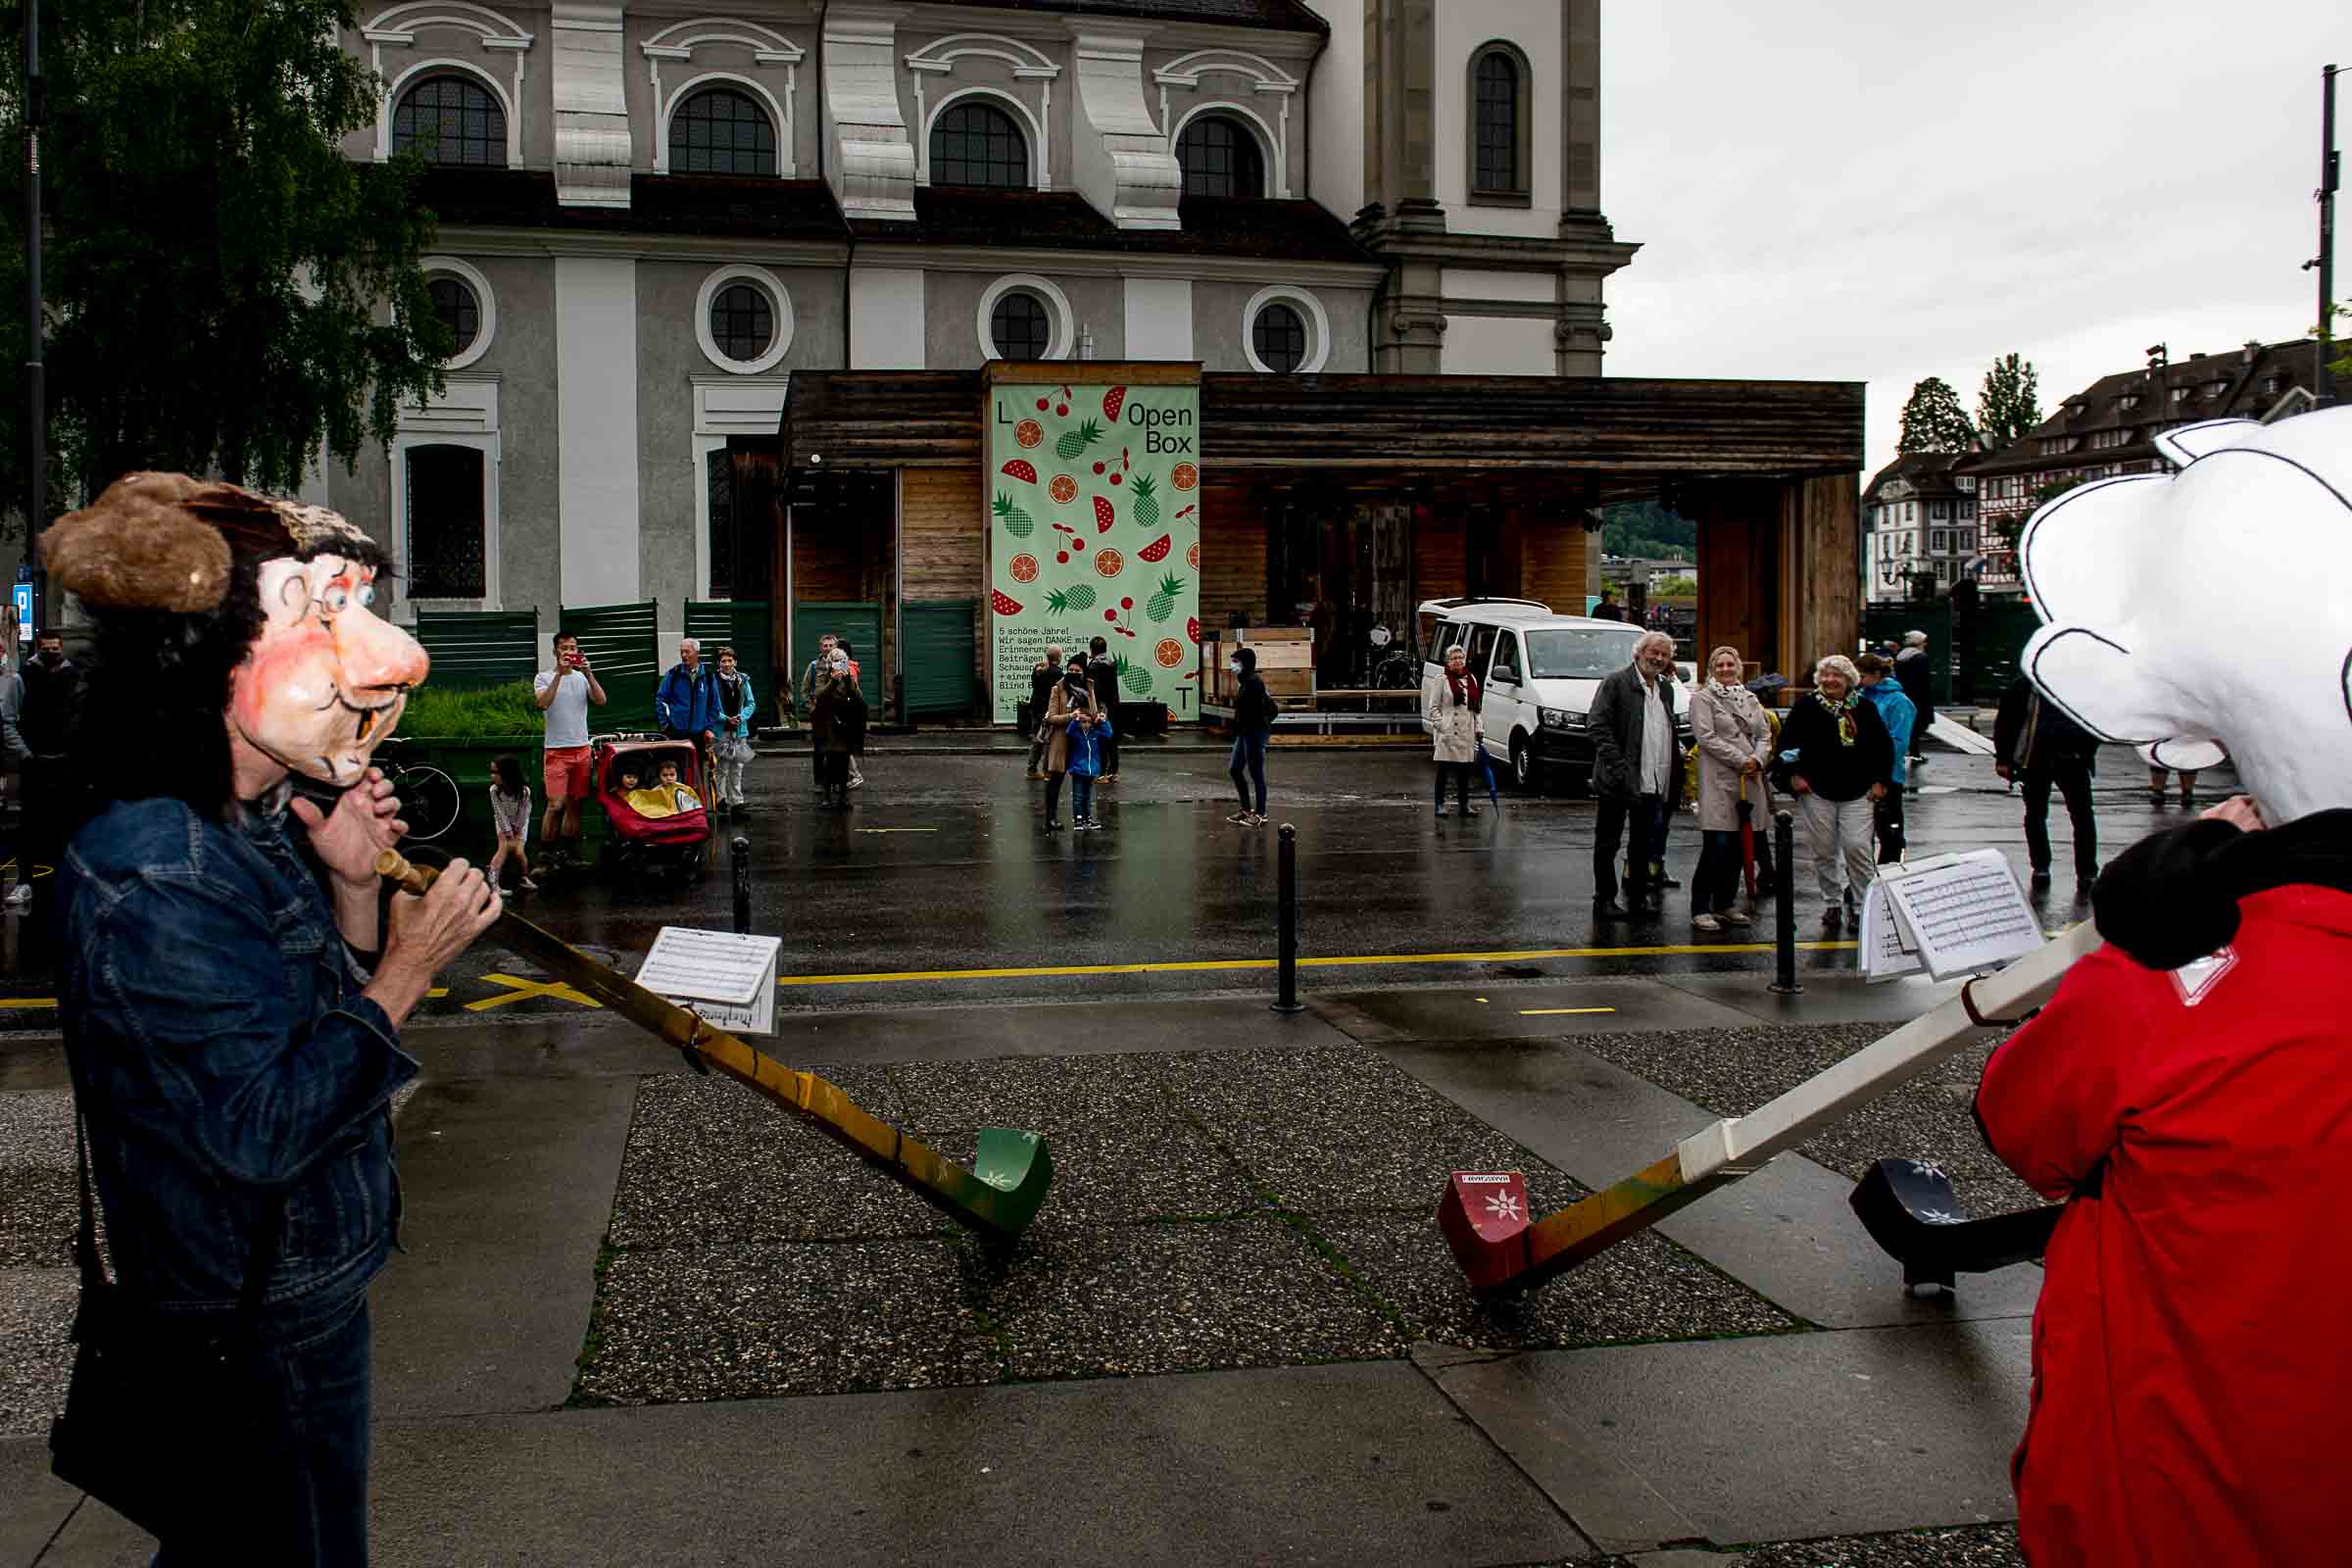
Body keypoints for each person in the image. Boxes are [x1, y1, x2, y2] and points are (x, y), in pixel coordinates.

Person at [43, 473, 502, 1563]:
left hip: (293, 1292)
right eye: (318, 611)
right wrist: (408, 966)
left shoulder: (245, 821)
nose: (387, 658)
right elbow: (258, 1133)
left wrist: (349, 894)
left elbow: (301, 1030)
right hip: (249, 1321)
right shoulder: (159, 871)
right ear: (204, 657)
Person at [1773, 654, 1893, 932]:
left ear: (1848, 679)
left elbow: (1883, 748)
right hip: (1817, 791)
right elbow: (1786, 746)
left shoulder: (1865, 708)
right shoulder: (1806, 707)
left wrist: (1880, 782)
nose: (1830, 680)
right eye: (1825, 675)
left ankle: (1863, 906)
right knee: (1824, 851)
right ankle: (1833, 903)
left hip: (1858, 791)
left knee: (1857, 848)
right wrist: (1793, 777)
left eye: (1836, 675)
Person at [1588, 630, 1682, 917]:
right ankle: (1604, 899)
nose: (1658, 658)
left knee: (1642, 844)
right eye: (1654, 652)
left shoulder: (1666, 688)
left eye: (1664, 655)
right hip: (1618, 780)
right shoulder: (1616, 682)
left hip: (1653, 780)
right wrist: (1618, 767)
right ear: (1638, 653)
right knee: (1608, 843)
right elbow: (1597, 725)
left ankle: (1638, 897)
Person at [1688, 645, 1771, 931]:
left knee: (1738, 845)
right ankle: (1700, 906)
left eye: (1730, 664)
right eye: (1719, 665)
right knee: (1716, 845)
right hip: (1720, 779)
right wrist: (1741, 759)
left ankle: (1725, 902)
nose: (1725, 669)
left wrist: (1758, 760)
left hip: (1749, 778)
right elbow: (1706, 737)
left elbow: (1764, 735)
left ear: (1738, 667)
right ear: (1712, 669)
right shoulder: (1703, 699)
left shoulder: (1751, 698)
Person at [1994, 673, 2100, 895]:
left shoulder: (2027, 684)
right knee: (2062, 816)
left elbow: (2006, 720)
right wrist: (2003, 757)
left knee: (2060, 816)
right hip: (2044, 758)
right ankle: (2069, 870)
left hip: (2056, 758)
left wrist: (2004, 758)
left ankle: (2074, 870)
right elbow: (2007, 720)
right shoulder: (2027, 685)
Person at [19, 627, 84, 906]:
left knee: (64, 821)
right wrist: (25, 753)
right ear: (39, 647)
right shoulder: (25, 674)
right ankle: (26, 882)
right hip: (36, 758)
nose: (52, 653)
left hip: (64, 759)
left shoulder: (73, 675)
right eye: (47, 648)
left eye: (55, 648)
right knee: (31, 823)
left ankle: (63, 881)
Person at [534, 630, 607, 865]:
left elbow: (601, 700)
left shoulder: (581, 677)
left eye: (573, 648)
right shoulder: (543, 677)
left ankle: (569, 855)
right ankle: (545, 855)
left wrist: (588, 672)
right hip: (556, 751)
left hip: (581, 749)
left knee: (575, 804)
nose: (569, 651)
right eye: (564, 648)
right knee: (556, 804)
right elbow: (543, 703)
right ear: (555, 651)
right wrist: (560, 675)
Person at [1855, 652, 1916, 864]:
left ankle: (1890, 872)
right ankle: (1863, 877)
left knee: (1888, 829)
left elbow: (1899, 742)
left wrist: (1882, 773)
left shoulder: (1899, 702)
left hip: (1888, 774)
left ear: (1877, 674)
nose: (1858, 681)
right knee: (1860, 833)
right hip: (1860, 773)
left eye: (1862, 676)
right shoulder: (1861, 697)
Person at [1426, 644, 1483, 820]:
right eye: (1454, 658)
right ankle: (1440, 804)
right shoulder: (1441, 679)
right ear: (1448, 662)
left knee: (1465, 771)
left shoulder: (1471, 679)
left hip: (1466, 731)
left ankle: (1464, 805)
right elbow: (1433, 708)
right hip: (1448, 732)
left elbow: (1476, 708)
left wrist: (1479, 728)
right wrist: (1441, 725)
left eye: (1461, 658)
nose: (1458, 661)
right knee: (1444, 770)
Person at [1225, 646, 1274, 826]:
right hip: (1245, 733)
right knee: (1235, 769)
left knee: (1256, 773)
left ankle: (1261, 814)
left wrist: (1244, 728)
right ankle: (1246, 810)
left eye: (1236, 661)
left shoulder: (1254, 682)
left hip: (1254, 733)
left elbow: (1253, 712)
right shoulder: (1245, 680)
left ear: (1246, 663)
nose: (1232, 665)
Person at [809, 651, 862, 809]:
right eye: (837, 660)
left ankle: (843, 797)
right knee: (829, 759)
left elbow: (858, 697)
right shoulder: (823, 675)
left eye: (842, 660)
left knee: (844, 759)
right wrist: (833, 681)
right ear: (831, 662)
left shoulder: (848, 677)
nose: (840, 663)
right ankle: (826, 797)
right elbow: (819, 694)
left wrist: (847, 680)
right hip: (828, 722)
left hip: (844, 721)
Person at [1063, 667, 1111, 830]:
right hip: (1078, 770)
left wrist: (1103, 720)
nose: (1085, 725)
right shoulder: (1077, 733)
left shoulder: (1094, 733)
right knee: (1078, 796)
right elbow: (1069, 731)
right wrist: (1075, 719)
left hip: (1091, 770)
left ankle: (1087, 818)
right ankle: (1078, 819)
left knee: (1089, 797)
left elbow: (1109, 733)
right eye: (1083, 722)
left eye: (1087, 722)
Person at [710, 646, 755, 817]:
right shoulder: (712, 681)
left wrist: (741, 717)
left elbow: (751, 703)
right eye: (723, 661)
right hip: (721, 730)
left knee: (737, 767)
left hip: (739, 730)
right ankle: (720, 801)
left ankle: (737, 802)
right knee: (722, 767)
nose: (727, 664)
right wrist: (725, 718)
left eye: (730, 660)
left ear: (735, 662)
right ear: (718, 663)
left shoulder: (743, 680)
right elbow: (711, 705)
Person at [1040, 661, 1084, 830]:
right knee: (1055, 781)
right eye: (1070, 669)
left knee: (1083, 782)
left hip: (1079, 740)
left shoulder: (1086, 689)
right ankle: (1050, 818)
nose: (1073, 672)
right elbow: (1051, 717)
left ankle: (1083, 818)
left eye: (1077, 670)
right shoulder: (1058, 689)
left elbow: (1092, 712)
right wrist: (1070, 716)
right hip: (1061, 740)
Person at [656, 636, 717, 751]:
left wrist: (709, 728)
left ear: (697, 653)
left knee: (697, 768)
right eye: (682, 652)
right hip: (676, 734)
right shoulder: (672, 675)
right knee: (676, 767)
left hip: (699, 735)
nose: (683, 655)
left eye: (687, 652)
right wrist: (665, 725)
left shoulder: (708, 677)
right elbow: (661, 700)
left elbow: (714, 706)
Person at [486, 754, 536, 893]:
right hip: (503, 823)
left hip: (520, 824)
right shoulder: (494, 791)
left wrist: (517, 829)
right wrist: (508, 832)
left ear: (507, 773)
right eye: (492, 772)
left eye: (496, 772)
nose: (492, 776)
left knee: (519, 852)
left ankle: (524, 877)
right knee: (503, 848)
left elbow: (523, 812)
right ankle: (493, 883)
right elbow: (499, 812)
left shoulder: (524, 791)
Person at [801, 632, 838, 791]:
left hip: (837, 714)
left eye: (831, 645)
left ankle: (836, 781)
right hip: (819, 714)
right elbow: (804, 690)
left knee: (837, 750)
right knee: (819, 749)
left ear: (836, 647)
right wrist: (812, 708)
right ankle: (819, 781)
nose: (828, 648)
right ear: (820, 647)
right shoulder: (814, 666)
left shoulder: (842, 664)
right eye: (825, 645)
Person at [1893, 629, 1936, 763]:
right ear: (1920, 642)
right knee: (1918, 726)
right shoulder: (1920, 658)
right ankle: (1915, 753)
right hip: (1918, 697)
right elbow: (1923, 681)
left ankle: (1909, 752)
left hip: (1904, 694)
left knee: (1908, 725)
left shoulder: (1901, 657)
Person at [1085, 634, 1119, 784]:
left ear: (1092, 650)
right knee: (1111, 738)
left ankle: (1101, 773)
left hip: (1100, 706)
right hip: (1113, 704)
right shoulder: (1112, 663)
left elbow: (1093, 690)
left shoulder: (1093, 666)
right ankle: (1114, 772)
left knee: (1100, 739)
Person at [1026, 645, 1064, 779]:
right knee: (1049, 740)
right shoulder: (1057, 673)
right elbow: (1059, 693)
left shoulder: (1038, 670)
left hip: (1036, 708)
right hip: (1048, 710)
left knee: (1038, 739)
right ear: (1059, 657)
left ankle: (1032, 769)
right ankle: (1048, 771)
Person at [837, 639, 866, 790]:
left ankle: (855, 775)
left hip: (847, 711)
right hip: (845, 710)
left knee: (843, 745)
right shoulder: (845, 665)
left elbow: (851, 690)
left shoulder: (848, 667)